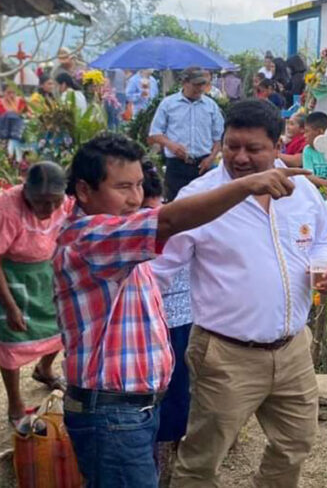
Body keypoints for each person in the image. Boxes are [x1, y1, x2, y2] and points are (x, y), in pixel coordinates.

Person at [54, 132, 308, 487]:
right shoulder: (90, 237)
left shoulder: (119, 239)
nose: (135, 198)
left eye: (139, 185)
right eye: (122, 187)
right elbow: (169, 222)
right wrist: (245, 186)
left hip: (132, 408)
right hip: (111, 411)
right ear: (84, 190)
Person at [151, 99, 327, 488]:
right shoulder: (199, 198)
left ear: (276, 146)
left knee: (295, 445)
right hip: (225, 354)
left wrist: (325, 265)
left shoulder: (300, 188)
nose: (239, 157)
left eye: (253, 149)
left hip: (292, 349)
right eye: (232, 145)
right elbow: (158, 272)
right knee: (202, 460)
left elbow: (322, 239)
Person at [0, 162, 72, 425]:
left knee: (61, 327)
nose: (50, 209)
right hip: (9, 274)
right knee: (12, 339)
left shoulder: (64, 202)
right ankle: (15, 404)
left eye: (55, 202)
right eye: (42, 202)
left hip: (46, 269)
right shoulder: (6, 210)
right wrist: (10, 307)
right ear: (26, 191)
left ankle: (44, 369)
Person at [138, 160, 193, 482]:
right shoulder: (126, 227)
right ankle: (157, 456)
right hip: (148, 320)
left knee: (176, 392)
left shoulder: (175, 219)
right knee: (155, 393)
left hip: (178, 319)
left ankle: (168, 454)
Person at [148, 67, 225, 201]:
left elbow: (219, 137)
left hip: (203, 165)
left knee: (204, 205)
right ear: (184, 82)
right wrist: (171, 145)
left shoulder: (210, 106)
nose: (200, 88)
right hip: (177, 165)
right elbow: (155, 133)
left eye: (203, 84)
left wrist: (211, 158)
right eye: (196, 84)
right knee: (175, 205)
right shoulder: (168, 104)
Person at [301, 111, 327, 188]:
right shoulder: (308, 150)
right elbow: (308, 176)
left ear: (320, 132)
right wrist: (326, 183)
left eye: (307, 131)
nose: (304, 136)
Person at [0, 87, 28, 162]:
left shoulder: (21, 101)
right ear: (4, 93)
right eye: (9, 93)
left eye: (13, 93)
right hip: (4, 132)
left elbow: (27, 113)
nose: (11, 95)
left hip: (18, 132)